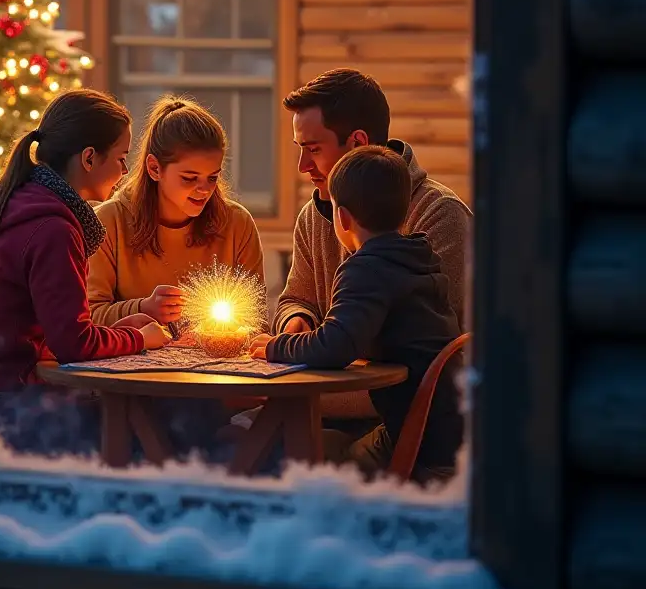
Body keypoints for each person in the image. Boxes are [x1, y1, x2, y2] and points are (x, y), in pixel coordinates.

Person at [250, 145, 464, 484]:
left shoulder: (366, 268)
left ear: (343, 217)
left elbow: (336, 344)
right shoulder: (416, 257)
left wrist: (277, 346)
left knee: (310, 472)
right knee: (331, 453)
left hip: (418, 440)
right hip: (442, 424)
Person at [0, 88, 167, 456]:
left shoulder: (16, 200)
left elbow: (53, 327)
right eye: (122, 158)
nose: (125, 172)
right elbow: (73, 344)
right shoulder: (53, 229)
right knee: (146, 430)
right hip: (7, 404)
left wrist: (116, 331)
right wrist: (142, 339)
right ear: (90, 158)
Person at [274, 68, 471, 338]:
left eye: (314, 149)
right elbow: (295, 299)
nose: (302, 166)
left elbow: (441, 334)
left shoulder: (440, 214)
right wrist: (296, 320)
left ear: (358, 142)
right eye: (300, 148)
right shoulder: (313, 216)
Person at [88, 95, 265, 329]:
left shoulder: (236, 224)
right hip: (133, 362)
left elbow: (256, 320)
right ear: (154, 168)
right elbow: (88, 316)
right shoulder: (108, 222)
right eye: (189, 178)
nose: (204, 190)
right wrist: (141, 309)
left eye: (212, 177)